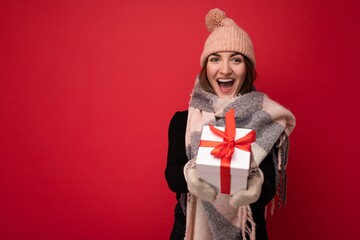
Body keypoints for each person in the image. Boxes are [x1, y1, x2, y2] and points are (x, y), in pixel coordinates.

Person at [165, 8, 296, 240]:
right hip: (189, 229)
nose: (225, 69)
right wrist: (192, 176)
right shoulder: (183, 121)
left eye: (236, 59)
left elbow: (267, 191)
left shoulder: (266, 119)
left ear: (247, 69)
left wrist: (254, 186)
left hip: (246, 232)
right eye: (215, 59)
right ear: (206, 67)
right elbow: (172, 176)